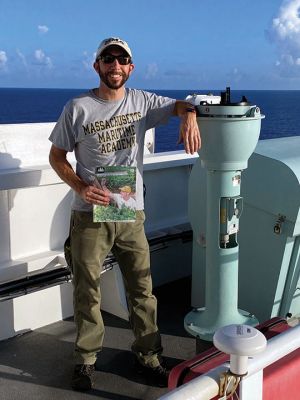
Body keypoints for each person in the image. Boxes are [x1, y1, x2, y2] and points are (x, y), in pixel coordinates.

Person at [48, 37, 201, 391]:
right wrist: (80, 187)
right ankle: (85, 362)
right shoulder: (77, 108)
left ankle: (148, 356)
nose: (115, 65)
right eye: (108, 58)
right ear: (97, 66)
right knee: (87, 292)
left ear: (131, 68)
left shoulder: (143, 102)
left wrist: (190, 115)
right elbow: (57, 156)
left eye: (122, 59)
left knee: (142, 291)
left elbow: (182, 104)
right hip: (90, 215)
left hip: (131, 216)